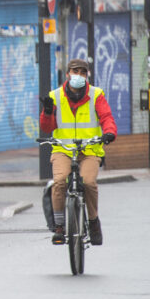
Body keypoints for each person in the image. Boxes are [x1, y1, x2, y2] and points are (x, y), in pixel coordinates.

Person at [39, 58, 117, 246]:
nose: (79, 76)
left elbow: (106, 117)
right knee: (59, 181)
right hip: (63, 149)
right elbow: (47, 126)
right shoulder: (55, 96)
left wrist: (109, 133)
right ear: (68, 74)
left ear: (87, 75)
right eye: (75, 72)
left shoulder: (96, 94)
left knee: (88, 182)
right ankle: (59, 226)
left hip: (89, 149)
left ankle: (93, 222)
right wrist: (47, 112)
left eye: (83, 72)